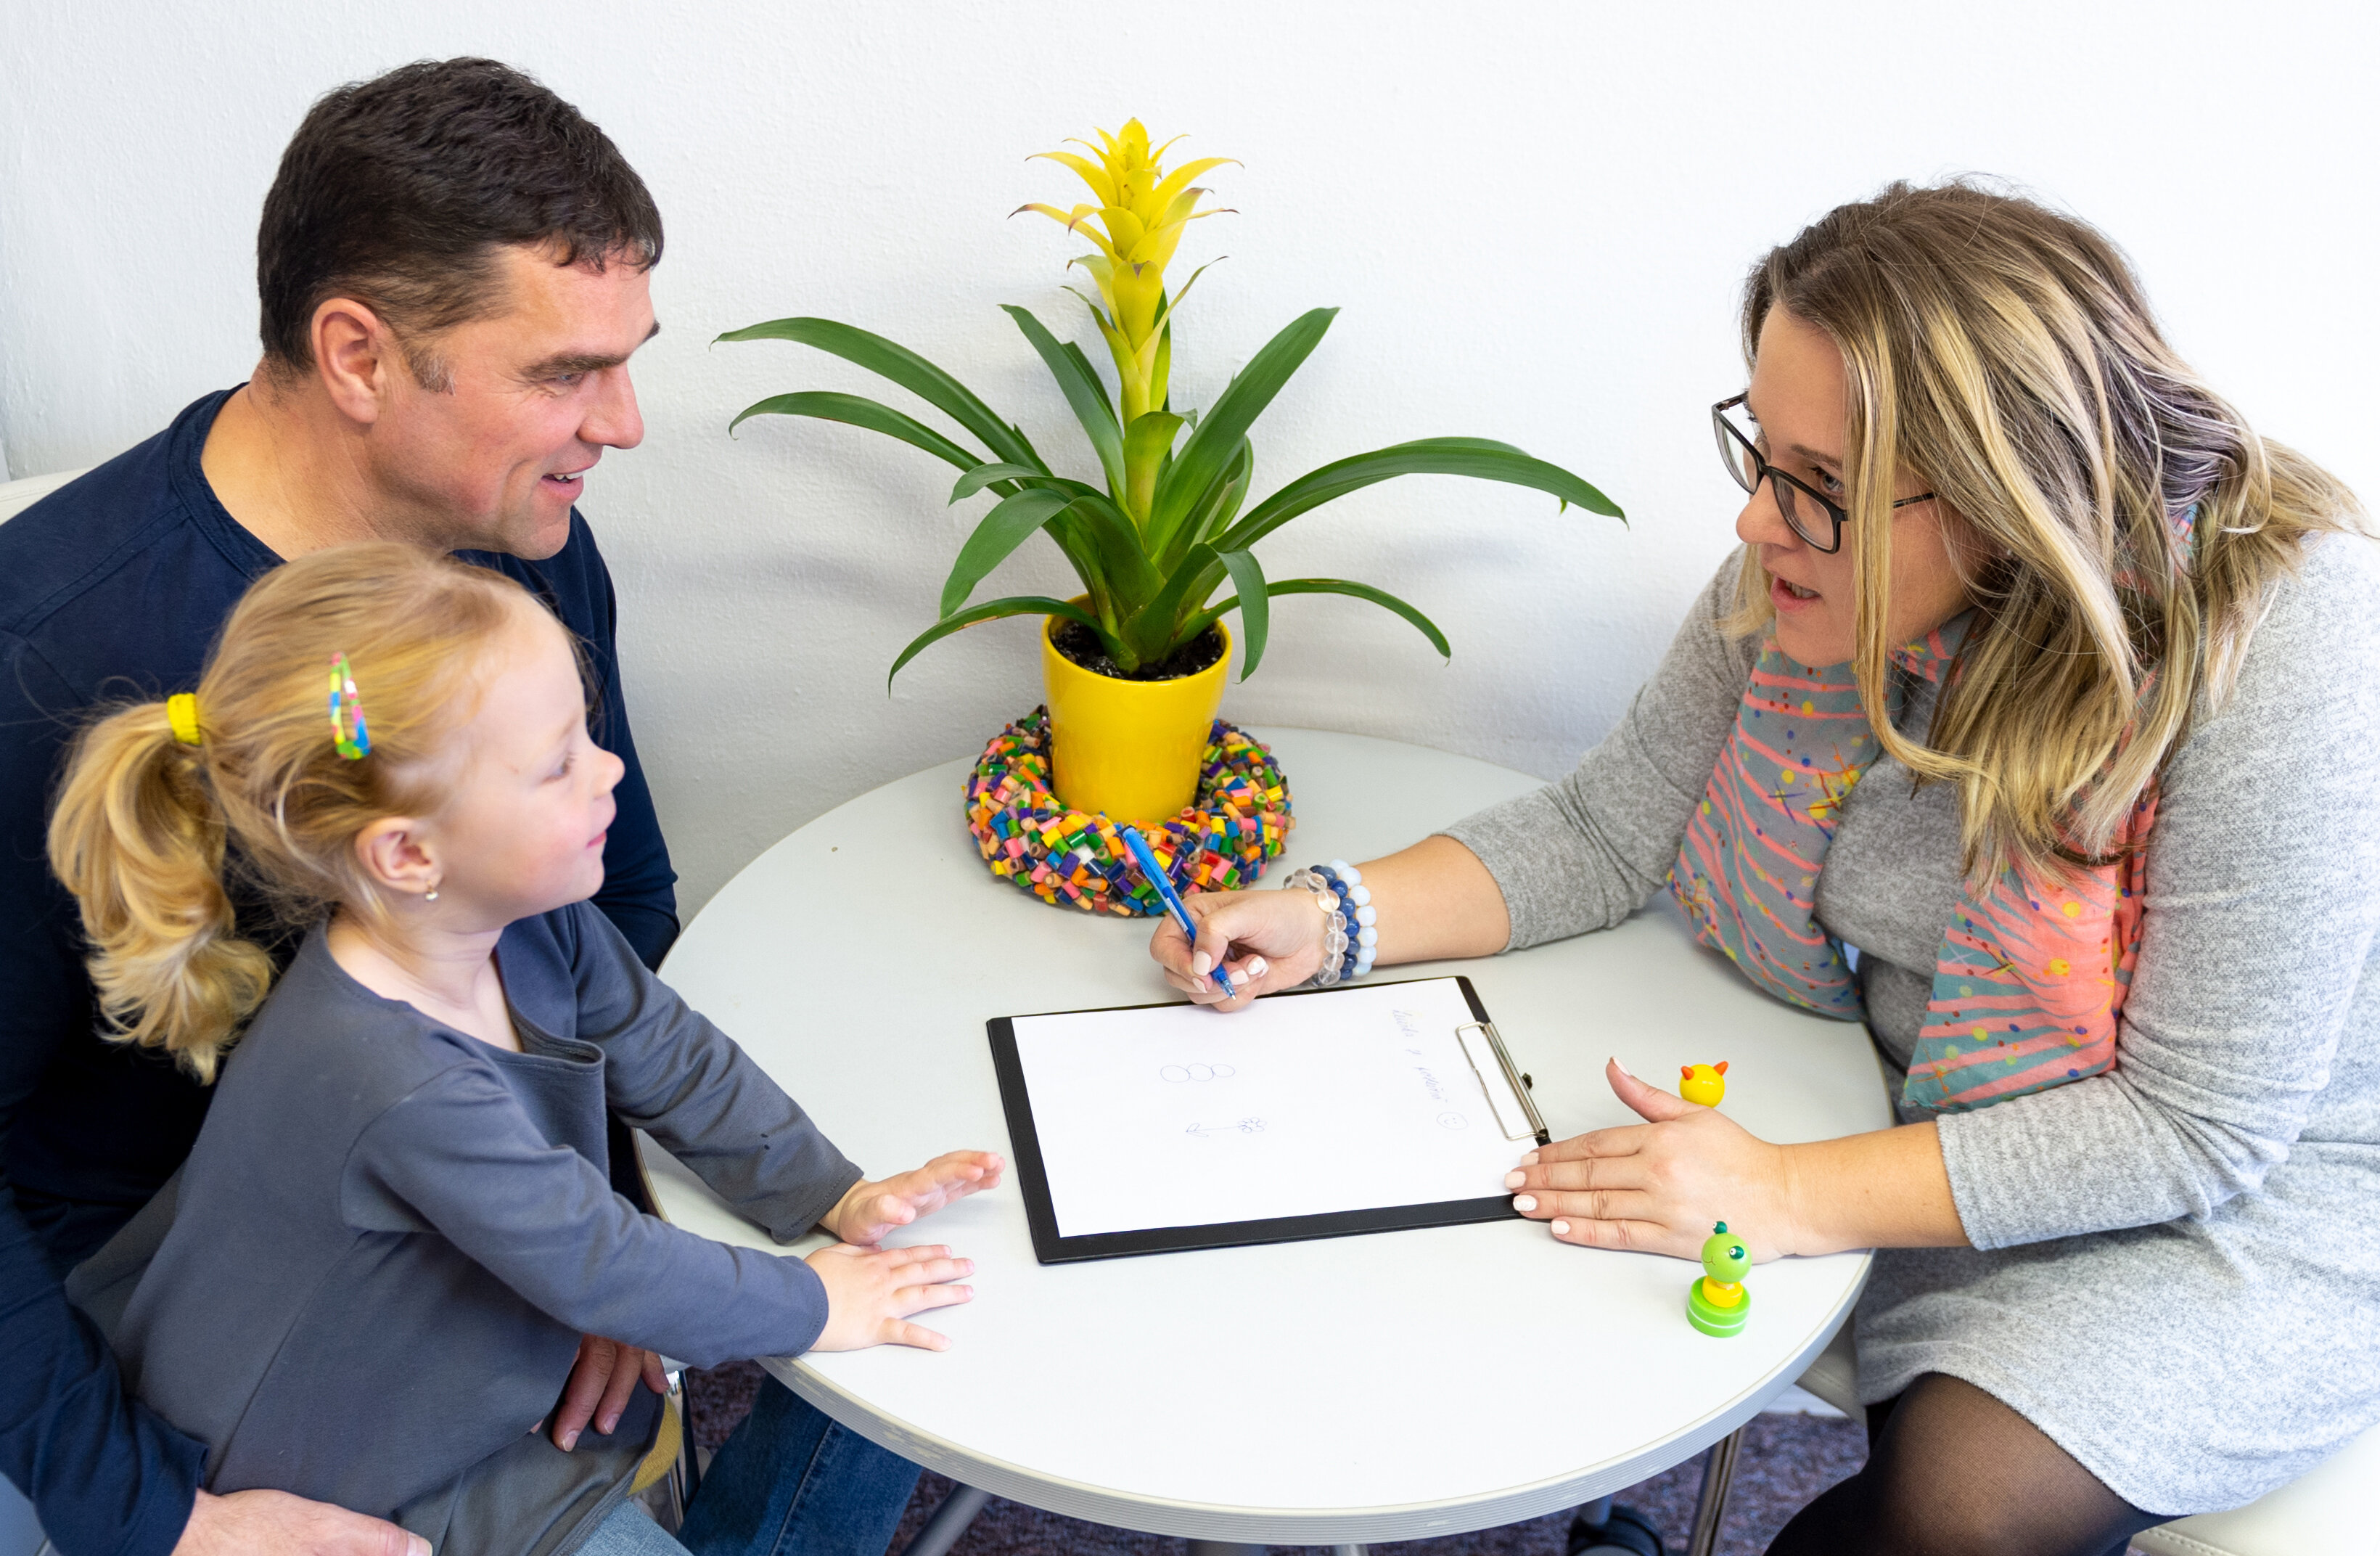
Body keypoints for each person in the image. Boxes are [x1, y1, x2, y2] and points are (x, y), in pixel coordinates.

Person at [1150, 180, 2380, 1556]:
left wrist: (1783, 1190)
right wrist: (1330, 915)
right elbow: (1612, 829)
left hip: (2245, 1200)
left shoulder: (2287, 644)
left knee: (1953, 1514)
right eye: (1765, 456)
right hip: (1926, 1109)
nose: (1757, 526)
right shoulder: (1815, 576)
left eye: (1825, 489)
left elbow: (2196, 1129)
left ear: (2006, 497)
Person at [0, 59, 921, 1556]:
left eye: (626, 360)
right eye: (563, 370)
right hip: (177, 1357)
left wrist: (598, 1233)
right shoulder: (41, 651)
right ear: (358, 355)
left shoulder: (521, 545)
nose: (618, 422)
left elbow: (610, 910)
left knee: (915, 1253)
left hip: (466, 1209)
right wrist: (161, 1516)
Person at [46, 541, 1000, 1556]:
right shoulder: (390, 1078)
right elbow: (603, 1263)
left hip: (474, 1381)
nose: (611, 769)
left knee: (902, 1306)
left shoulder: (531, 922)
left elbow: (666, 1051)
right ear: (409, 854)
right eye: (558, 764)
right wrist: (815, 1302)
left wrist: (830, 1194)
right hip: (371, 1484)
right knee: (844, 1317)